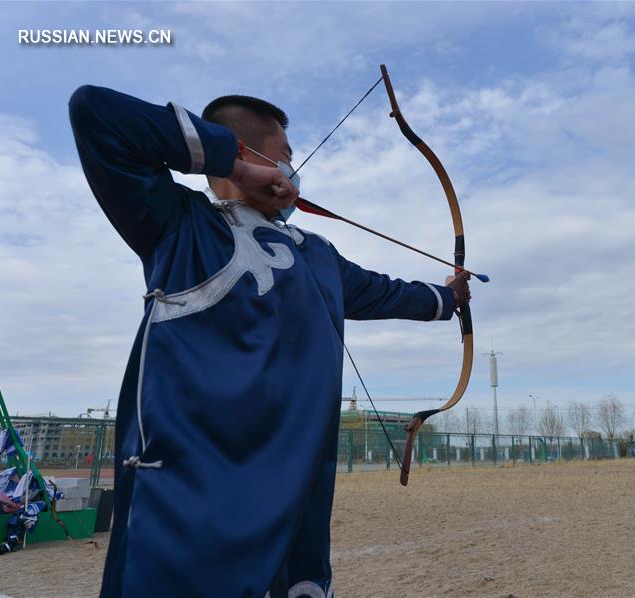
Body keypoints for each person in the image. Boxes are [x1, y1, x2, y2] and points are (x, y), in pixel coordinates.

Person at [68, 85, 471, 597]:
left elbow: (383, 292)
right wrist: (230, 164)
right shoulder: (179, 225)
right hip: (192, 497)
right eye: (284, 156)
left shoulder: (317, 253)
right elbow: (95, 113)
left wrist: (447, 297)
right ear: (248, 155)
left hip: (296, 494)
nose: (293, 169)